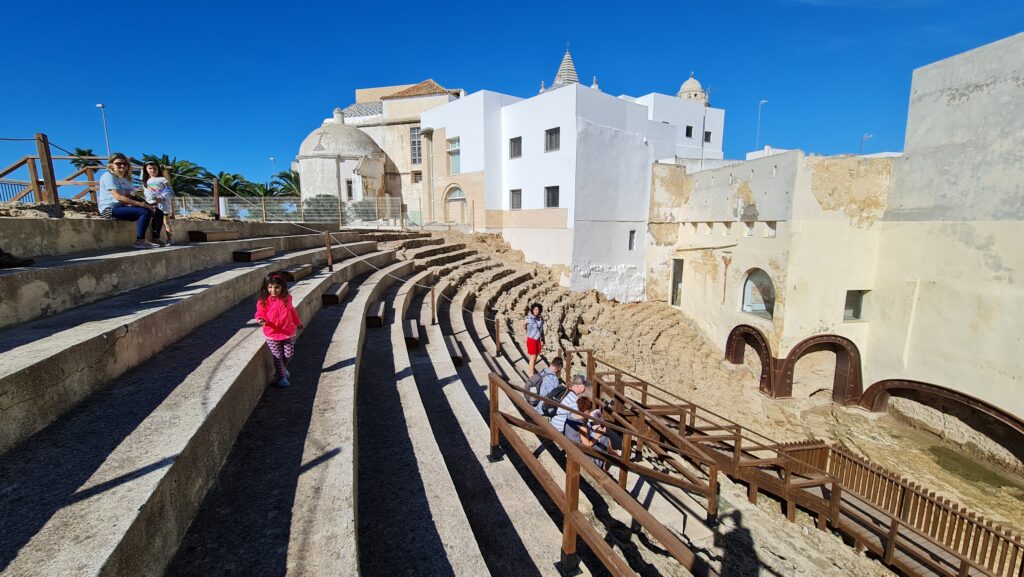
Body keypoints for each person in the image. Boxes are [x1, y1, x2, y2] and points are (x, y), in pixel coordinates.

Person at [97, 153, 158, 249]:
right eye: (118, 163)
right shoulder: (108, 176)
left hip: (123, 206)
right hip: (110, 208)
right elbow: (118, 197)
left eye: (125, 164)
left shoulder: (127, 179)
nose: (122, 166)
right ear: (111, 164)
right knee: (144, 212)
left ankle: (156, 238)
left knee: (157, 211)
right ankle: (140, 241)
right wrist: (142, 205)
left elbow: (133, 196)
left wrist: (148, 204)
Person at [254, 272, 303, 387]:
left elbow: (292, 311)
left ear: (282, 287)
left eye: (277, 287)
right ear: (266, 287)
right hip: (272, 333)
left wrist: (298, 322)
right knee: (278, 356)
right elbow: (259, 314)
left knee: (289, 353)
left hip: (286, 331)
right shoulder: (263, 301)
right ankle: (281, 377)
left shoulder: (287, 299)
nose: (273, 290)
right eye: (270, 287)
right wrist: (260, 320)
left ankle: (282, 368)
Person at [142, 161, 174, 245]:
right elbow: (146, 193)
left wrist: (161, 197)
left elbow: (169, 189)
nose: (152, 170)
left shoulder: (163, 179)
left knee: (166, 223)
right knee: (154, 222)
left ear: (158, 169)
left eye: (155, 168)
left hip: (163, 205)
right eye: (150, 168)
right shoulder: (145, 181)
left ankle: (170, 239)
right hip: (152, 205)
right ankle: (155, 238)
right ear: (146, 170)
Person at [523, 303, 544, 375]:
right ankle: (531, 374)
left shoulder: (541, 318)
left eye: (537, 309)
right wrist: (526, 334)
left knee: (536, 356)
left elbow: (542, 330)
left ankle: (532, 369)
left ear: (540, 310)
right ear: (532, 310)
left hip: (538, 340)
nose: (536, 311)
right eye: (534, 309)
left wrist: (543, 340)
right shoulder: (529, 318)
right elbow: (523, 324)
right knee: (533, 356)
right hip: (531, 340)